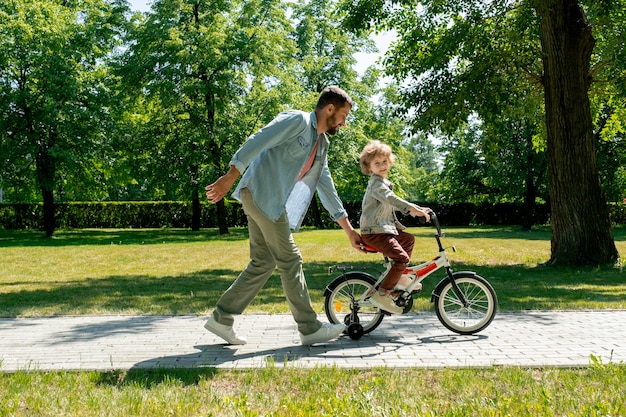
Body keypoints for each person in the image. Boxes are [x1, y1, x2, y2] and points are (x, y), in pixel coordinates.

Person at [204, 87, 363, 346]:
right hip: (261, 194)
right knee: (290, 259)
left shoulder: (322, 144)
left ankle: (221, 318)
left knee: (263, 262)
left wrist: (348, 230)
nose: (345, 122)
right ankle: (309, 328)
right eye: (344, 114)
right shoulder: (297, 120)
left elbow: (326, 185)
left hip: (268, 201)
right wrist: (229, 178)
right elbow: (258, 140)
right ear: (330, 109)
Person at [359, 140, 431, 314]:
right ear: (369, 167)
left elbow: (395, 203)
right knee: (401, 259)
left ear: (390, 161)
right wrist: (412, 208)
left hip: (382, 230)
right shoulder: (376, 184)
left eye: (385, 161)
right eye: (377, 163)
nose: (382, 166)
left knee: (408, 239)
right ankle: (382, 294)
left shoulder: (383, 182)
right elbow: (392, 199)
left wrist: (417, 210)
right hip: (375, 232)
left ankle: (400, 277)